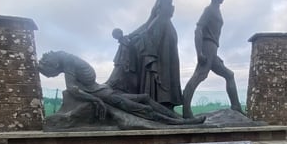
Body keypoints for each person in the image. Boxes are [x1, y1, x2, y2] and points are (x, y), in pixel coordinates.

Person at [38, 51, 204, 125]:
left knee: (145, 98)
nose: (52, 76)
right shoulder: (67, 61)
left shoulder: (67, 60)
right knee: (143, 108)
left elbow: (72, 87)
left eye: (51, 74)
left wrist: (95, 97)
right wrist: (95, 99)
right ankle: (178, 123)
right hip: (105, 95)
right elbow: (73, 89)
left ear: (53, 65)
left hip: (104, 91)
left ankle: (181, 120)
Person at [182, 0, 243, 118]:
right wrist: (199, 53)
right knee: (199, 76)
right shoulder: (209, 10)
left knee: (229, 75)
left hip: (213, 49)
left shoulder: (216, 10)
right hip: (208, 47)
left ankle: (236, 106)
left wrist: (213, 54)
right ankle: (186, 111)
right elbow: (198, 30)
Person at [126, 0, 183, 110]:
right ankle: (151, 99)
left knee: (164, 69)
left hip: (165, 36)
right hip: (155, 34)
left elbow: (162, 17)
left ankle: (165, 103)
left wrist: (145, 33)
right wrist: (132, 34)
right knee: (137, 45)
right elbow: (149, 21)